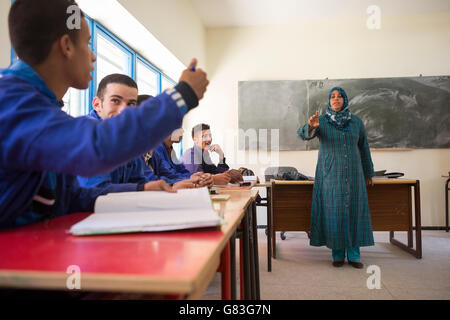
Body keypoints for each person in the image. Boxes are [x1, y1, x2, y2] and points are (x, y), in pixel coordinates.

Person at [0, 0, 209, 229]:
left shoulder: (38, 107)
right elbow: (98, 146)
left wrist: (141, 189)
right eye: (88, 44)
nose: (93, 56)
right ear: (67, 46)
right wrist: (182, 95)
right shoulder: (11, 102)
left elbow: (71, 198)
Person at [77, 75, 210, 191]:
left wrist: (174, 186)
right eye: (115, 101)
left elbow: (142, 180)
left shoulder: (126, 138)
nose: (124, 111)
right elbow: (96, 192)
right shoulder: (88, 133)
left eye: (131, 104)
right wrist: (160, 188)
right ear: (96, 104)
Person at [297, 87, 375, 269]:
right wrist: (310, 126)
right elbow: (303, 135)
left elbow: (364, 147)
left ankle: (355, 255)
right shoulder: (321, 121)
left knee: (354, 212)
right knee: (335, 213)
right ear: (329, 101)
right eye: (332, 97)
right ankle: (338, 254)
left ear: (345, 100)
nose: (336, 99)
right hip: (330, 175)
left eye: (340, 96)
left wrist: (368, 172)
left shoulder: (356, 122)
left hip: (355, 175)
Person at [137, 95, 214, 187]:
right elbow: (150, 179)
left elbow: (170, 175)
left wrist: (192, 178)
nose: (182, 130)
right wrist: (184, 182)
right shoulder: (151, 149)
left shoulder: (153, 152)